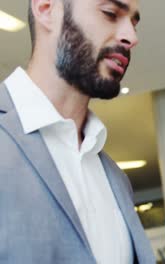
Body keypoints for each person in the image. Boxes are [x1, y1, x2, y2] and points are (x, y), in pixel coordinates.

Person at [0, 0, 155, 263]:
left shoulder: (116, 178)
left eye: (133, 22)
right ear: (46, 8)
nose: (131, 37)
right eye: (110, 13)